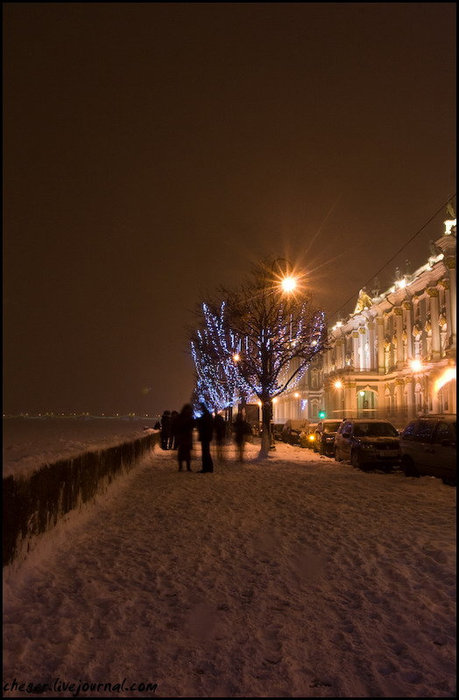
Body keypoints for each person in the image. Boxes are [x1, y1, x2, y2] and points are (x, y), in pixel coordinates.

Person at [175, 404, 195, 472]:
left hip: (184, 437)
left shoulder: (181, 417)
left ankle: (183, 467)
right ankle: (186, 467)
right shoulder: (189, 417)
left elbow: (177, 426)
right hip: (186, 437)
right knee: (186, 453)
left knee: (183, 453)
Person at [197, 403, 214, 473]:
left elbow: (203, 425)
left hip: (205, 436)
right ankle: (209, 468)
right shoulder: (208, 416)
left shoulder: (205, 416)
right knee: (206, 452)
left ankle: (206, 468)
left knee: (205, 453)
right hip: (207, 436)